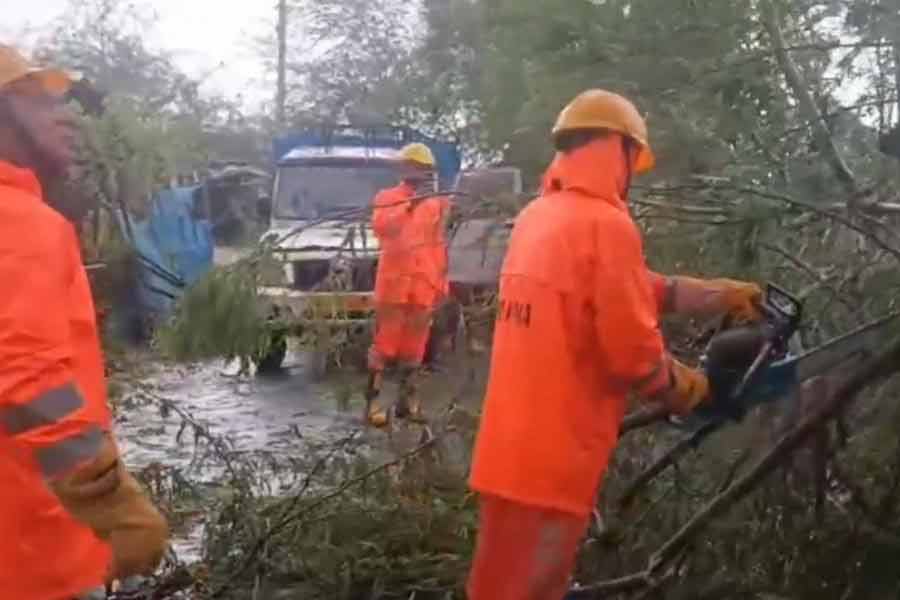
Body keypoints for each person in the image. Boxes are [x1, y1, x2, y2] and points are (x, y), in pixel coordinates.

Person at [466, 89, 763, 600]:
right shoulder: (606, 225)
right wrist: (688, 388)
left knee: (496, 587)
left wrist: (718, 294)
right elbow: (631, 353)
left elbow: (630, 288)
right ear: (618, 150)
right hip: (556, 454)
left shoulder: (542, 218)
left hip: (509, 445)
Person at [0, 44, 169, 599]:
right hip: (35, 549)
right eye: (38, 100)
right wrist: (113, 505)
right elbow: (27, 381)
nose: (66, 116)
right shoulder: (19, 220)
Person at [365, 143, 451, 427]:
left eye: (423, 169)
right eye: (413, 167)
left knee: (415, 350)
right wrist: (409, 206)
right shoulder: (387, 198)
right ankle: (374, 404)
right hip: (394, 287)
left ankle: (407, 403)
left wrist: (441, 285)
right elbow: (382, 227)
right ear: (403, 169)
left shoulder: (437, 203)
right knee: (384, 348)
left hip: (423, 287)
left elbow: (438, 245)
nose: (418, 173)